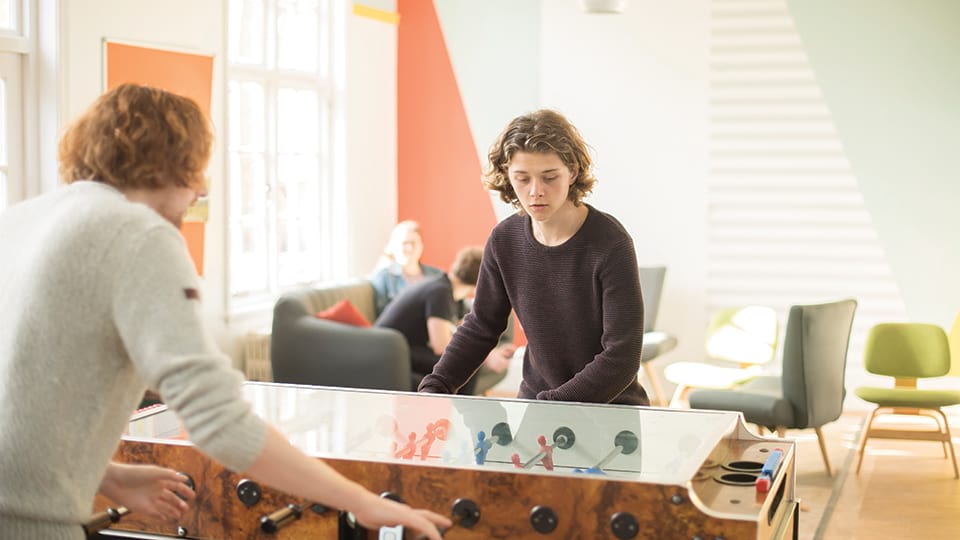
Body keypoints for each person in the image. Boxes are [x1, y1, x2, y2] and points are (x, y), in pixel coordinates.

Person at [0, 84, 450, 539]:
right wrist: (366, 504)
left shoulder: (22, 219)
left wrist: (109, 476)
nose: (199, 189)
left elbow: (23, 402)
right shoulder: (140, 234)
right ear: (169, 163)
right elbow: (219, 422)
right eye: (196, 170)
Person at [418, 109, 649, 406]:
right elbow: (481, 326)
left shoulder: (611, 243)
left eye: (549, 177)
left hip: (610, 410)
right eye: (522, 179)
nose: (535, 191)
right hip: (539, 404)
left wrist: (552, 406)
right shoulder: (504, 240)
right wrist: (436, 385)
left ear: (573, 172)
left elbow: (623, 355)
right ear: (508, 177)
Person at [376, 247, 515, 394]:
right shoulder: (440, 292)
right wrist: (487, 357)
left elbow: (463, 333)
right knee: (463, 365)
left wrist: (493, 351)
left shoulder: (451, 293)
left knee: (465, 363)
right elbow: (441, 346)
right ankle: (457, 414)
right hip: (394, 353)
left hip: (407, 349)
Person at [369, 220, 444, 318]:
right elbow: (383, 316)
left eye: (413, 243)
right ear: (393, 246)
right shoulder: (383, 277)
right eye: (404, 243)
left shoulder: (437, 275)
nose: (409, 248)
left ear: (421, 245)